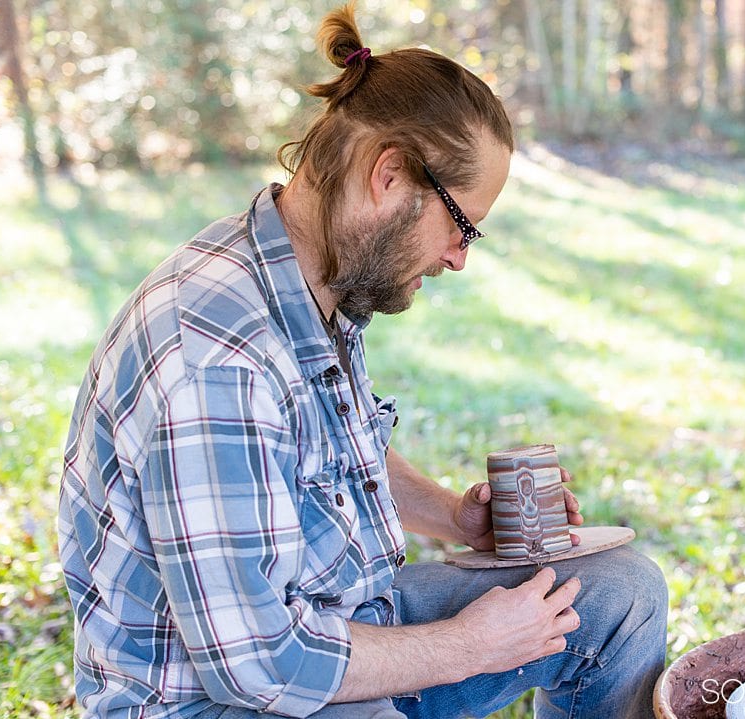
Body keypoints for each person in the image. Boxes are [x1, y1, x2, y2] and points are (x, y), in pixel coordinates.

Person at [57, 4, 668, 718]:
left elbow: (336, 454)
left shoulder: (315, 280)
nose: (459, 258)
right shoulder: (215, 360)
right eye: (461, 224)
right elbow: (260, 666)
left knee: (619, 593)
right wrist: (470, 643)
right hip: (221, 698)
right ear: (390, 177)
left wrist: (456, 517)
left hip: (338, 622)